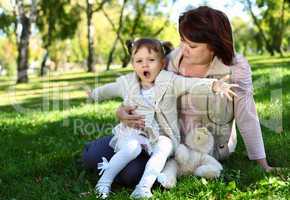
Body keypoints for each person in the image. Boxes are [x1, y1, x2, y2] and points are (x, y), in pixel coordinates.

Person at [82, 6, 274, 188]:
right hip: (157, 135)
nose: (184, 48)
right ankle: (95, 149)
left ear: (214, 46)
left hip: (197, 148)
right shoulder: (171, 60)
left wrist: (262, 163)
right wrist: (121, 111)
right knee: (92, 156)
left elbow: (247, 116)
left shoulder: (236, 68)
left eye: (192, 45)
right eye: (182, 40)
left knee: (129, 175)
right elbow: (138, 85)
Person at [88, 38, 237, 199]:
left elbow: (191, 83)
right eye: (139, 61)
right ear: (133, 64)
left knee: (164, 146)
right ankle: (103, 182)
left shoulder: (170, 81)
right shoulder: (127, 82)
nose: (145, 65)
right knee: (132, 148)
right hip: (132, 133)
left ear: (162, 63)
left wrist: (213, 85)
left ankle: (143, 187)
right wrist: (94, 94)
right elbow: (108, 90)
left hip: (161, 135)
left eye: (151, 60)